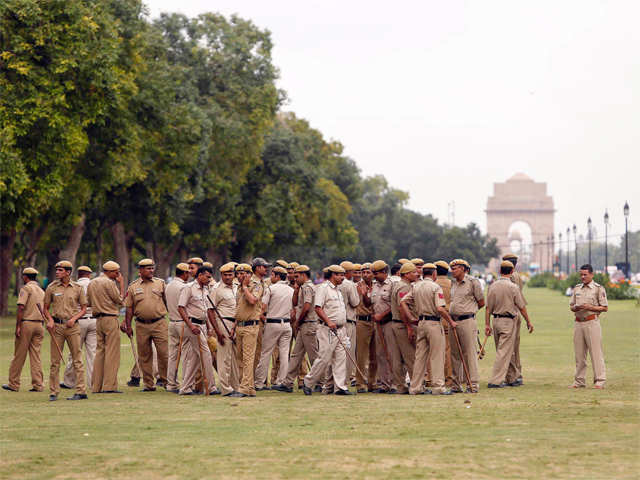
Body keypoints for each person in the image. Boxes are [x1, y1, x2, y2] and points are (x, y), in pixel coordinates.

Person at [401, 263, 456, 395]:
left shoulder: (416, 286)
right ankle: (438, 387)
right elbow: (440, 308)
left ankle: (415, 387)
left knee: (420, 357)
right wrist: (451, 321)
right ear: (434, 274)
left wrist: (411, 317)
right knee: (437, 355)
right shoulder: (435, 287)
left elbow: (403, 301)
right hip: (433, 323)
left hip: (421, 323)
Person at [42, 261, 88, 401]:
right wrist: (49, 320)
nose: (57, 272)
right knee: (55, 361)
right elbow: (45, 308)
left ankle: (81, 391)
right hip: (57, 327)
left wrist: (74, 319)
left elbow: (84, 308)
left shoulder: (78, 288)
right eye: (57, 270)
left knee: (77, 360)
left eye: (60, 270)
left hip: (73, 327)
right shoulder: (51, 287)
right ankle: (54, 392)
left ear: (68, 272)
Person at [302, 265, 350, 395]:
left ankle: (340, 387)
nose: (342, 277)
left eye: (343, 275)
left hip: (341, 329)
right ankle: (308, 382)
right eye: (340, 275)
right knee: (324, 358)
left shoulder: (338, 291)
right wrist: (329, 321)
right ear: (333, 275)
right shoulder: (323, 288)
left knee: (340, 358)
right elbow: (318, 308)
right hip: (327, 329)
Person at [485, 260, 533, 388]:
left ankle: (511, 377)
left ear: (500, 271)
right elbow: (521, 307)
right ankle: (495, 381)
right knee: (504, 352)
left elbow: (488, 308)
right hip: (508, 321)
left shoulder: (492, 286)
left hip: (495, 321)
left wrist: (487, 325)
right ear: (512, 272)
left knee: (504, 351)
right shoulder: (513, 287)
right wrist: (528, 321)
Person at [124, 259, 169, 392]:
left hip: (159, 323)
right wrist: (128, 325)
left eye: (152, 268)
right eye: (148, 268)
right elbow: (129, 308)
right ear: (140, 270)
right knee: (144, 355)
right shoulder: (133, 286)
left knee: (164, 354)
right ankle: (149, 384)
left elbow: (167, 302)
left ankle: (168, 382)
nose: (151, 270)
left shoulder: (160, 283)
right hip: (141, 324)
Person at [177, 265, 221, 395]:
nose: (209, 279)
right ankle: (212, 387)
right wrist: (191, 326)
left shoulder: (206, 289)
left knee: (196, 358)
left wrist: (208, 327)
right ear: (200, 275)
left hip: (202, 325)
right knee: (206, 355)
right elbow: (181, 308)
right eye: (207, 277)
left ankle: (185, 388)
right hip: (192, 326)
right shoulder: (189, 288)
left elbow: (205, 310)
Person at [275, 265, 319, 393]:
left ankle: (320, 382)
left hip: (308, 324)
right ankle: (288, 383)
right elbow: (294, 303)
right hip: (305, 325)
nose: (294, 279)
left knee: (314, 356)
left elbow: (306, 306)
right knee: (296, 355)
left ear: (304, 275)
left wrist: (298, 322)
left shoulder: (307, 287)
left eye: (296, 276)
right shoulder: (301, 288)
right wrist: (295, 290)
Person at [3, 268, 45, 393]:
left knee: (19, 355)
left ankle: (14, 384)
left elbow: (21, 307)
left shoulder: (26, 288)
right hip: (39, 325)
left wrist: (18, 326)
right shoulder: (42, 291)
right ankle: (38, 385)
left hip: (27, 323)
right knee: (36, 356)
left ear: (25, 277)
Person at [87, 261, 125, 393]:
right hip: (110, 318)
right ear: (109, 271)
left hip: (98, 320)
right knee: (112, 353)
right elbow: (120, 300)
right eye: (116, 272)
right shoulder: (109, 283)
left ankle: (96, 386)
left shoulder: (92, 282)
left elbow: (88, 302)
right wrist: (121, 284)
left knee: (99, 353)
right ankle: (109, 386)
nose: (118, 274)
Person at [569, 264, 608, 389]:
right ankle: (579, 381)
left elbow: (604, 307)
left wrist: (590, 307)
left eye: (585, 274)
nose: (583, 277)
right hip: (578, 323)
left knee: (596, 353)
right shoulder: (577, 288)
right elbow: (571, 305)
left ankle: (600, 380)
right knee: (579, 354)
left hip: (592, 323)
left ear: (592, 274)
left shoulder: (598, 289)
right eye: (581, 274)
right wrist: (575, 307)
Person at [233, 258, 268, 397]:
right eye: (239, 273)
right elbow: (239, 308)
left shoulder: (256, 284)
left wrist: (245, 287)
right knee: (240, 359)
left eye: (243, 273)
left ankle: (244, 388)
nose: (240, 276)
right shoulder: (239, 286)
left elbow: (253, 300)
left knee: (248, 359)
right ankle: (249, 387)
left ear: (249, 273)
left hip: (250, 326)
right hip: (240, 325)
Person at [255, 266, 293, 390]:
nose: (270, 277)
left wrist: (262, 317)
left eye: (272, 275)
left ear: (277, 276)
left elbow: (263, 307)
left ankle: (259, 383)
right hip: (287, 324)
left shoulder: (271, 288)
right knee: (284, 354)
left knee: (265, 353)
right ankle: (281, 381)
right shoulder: (291, 290)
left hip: (272, 323)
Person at [449, 258, 484, 393]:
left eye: (456, 268)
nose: (453, 270)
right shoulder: (453, 284)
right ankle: (456, 385)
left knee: (470, 353)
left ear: (464, 269)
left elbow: (481, 302)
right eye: (452, 268)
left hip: (467, 321)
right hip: (453, 321)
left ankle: (472, 385)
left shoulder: (473, 282)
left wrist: (468, 311)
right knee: (455, 354)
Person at [61, 266, 96, 391]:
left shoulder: (74, 286)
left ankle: (69, 381)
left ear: (78, 274)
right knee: (92, 354)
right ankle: (93, 383)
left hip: (78, 320)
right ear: (89, 274)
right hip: (93, 319)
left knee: (74, 352)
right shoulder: (94, 285)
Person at [210, 263, 242, 397]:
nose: (228, 277)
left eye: (230, 274)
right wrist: (217, 331)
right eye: (225, 275)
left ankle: (236, 387)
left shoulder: (237, 288)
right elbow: (210, 311)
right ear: (221, 275)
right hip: (223, 323)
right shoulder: (217, 289)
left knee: (234, 358)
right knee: (224, 358)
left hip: (236, 324)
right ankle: (225, 389)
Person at [388, 262, 419, 394]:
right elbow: (402, 307)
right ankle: (416, 386)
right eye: (414, 272)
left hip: (396, 324)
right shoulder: (404, 288)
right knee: (410, 356)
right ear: (406, 274)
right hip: (402, 324)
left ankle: (400, 386)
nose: (417, 274)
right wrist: (409, 327)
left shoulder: (397, 285)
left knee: (397, 358)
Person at [366, 260, 393, 393]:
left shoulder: (393, 284)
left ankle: (395, 383)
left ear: (384, 272)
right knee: (381, 354)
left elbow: (396, 306)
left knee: (393, 354)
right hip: (378, 324)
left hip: (390, 323)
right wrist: (364, 294)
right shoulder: (374, 286)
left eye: (376, 273)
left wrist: (382, 315)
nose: (373, 276)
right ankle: (384, 384)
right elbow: (370, 303)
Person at [165, 263, 190, 393]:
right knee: (186, 355)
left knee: (173, 355)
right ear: (184, 273)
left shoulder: (168, 286)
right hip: (182, 322)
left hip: (171, 322)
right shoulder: (184, 287)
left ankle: (171, 384)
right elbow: (183, 307)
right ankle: (186, 384)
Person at [502, 253, 526, 386]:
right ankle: (517, 374)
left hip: (510, 314)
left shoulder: (510, 278)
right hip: (516, 312)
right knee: (514, 347)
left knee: (509, 347)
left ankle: (512, 376)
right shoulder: (518, 276)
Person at [355, 263, 377, 393]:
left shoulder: (377, 286)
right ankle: (360, 383)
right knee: (361, 355)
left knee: (375, 355)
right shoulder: (357, 286)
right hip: (362, 321)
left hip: (375, 321)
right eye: (363, 272)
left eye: (368, 272)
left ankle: (372, 382)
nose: (365, 275)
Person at [338, 261, 360, 384]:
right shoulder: (349, 285)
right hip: (349, 321)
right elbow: (355, 302)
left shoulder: (332, 284)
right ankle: (344, 381)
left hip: (336, 322)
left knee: (337, 352)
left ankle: (334, 380)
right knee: (348, 352)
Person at [434, 260, 454, 387]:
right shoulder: (452, 284)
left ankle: (434, 378)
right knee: (448, 350)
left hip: (435, 319)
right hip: (449, 319)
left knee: (435, 350)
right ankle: (449, 378)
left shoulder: (433, 284)